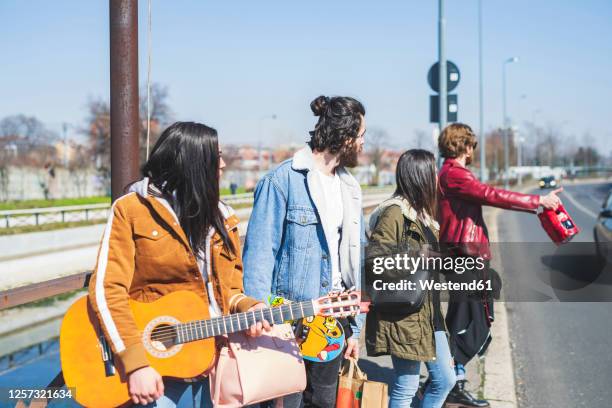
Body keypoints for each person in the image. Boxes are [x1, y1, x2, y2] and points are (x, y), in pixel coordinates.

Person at [88, 121, 270, 407]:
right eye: (215, 156)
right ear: (192, 163)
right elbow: (106, 289)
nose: (222, 165)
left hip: (215, 361)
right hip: (156, 367)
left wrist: (250, 307)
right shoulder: (131, 210)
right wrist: (135, 363)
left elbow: (230, 292)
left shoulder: (225, 218)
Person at [243, 95, 367, 408]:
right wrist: (257, 316)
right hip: (288, 323)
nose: (364, 145)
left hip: (333, 324)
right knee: (288, 402)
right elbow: (259, 255)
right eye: (362, 136)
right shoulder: (283, 180)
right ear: (346, 137)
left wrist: (355, 329)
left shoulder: (349, 188)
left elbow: (353, 261)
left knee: (324, 403)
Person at [437, 123, 562, 407]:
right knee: (470, 321)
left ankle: (451, 381)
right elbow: (492, 195)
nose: (473, 151)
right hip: (464, 256)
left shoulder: (447, 173)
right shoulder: (455, 174)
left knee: (468, 318)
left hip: (462, 255)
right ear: (465, 146)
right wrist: (538, 200)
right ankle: (450, 383)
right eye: (472, 145)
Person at [365, 149, 456, 408]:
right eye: (433, 172)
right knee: (406, 386)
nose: (437, 178)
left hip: (428, 316)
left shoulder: (423, 217)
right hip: (403, 316)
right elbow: (376, 263)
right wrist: (418, 255)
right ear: (421, 177)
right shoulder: (395, 213)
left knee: (445, 379)